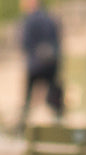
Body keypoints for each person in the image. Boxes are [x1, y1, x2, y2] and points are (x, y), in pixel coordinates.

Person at [18, 0, 64, 132]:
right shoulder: (50, 19)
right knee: (54, 96)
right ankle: (58, 122)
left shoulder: (30, 20)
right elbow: (57, 42)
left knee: (28, 98)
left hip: (35, 65)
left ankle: (23, 125)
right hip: (51, 64)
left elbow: (25, 43)